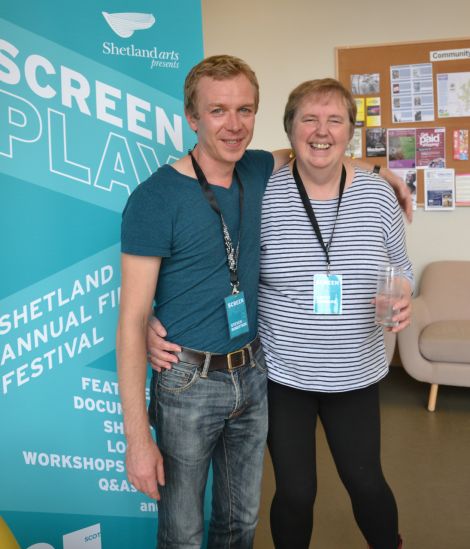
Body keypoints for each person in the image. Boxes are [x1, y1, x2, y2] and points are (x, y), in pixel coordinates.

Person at [119, 55, 411, 549]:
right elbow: (130, 319)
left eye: (244, 110)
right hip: (208, 380)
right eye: (218, 111)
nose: (233, 124)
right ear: (192, 117)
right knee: (189, 529)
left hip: (256, 373)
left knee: (241, 522)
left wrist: (380, 171)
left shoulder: (256, 171)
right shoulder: (170, 196)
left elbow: (315, 154)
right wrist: (136, 437)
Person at [259, 79, 412, 549]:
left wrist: (401, 295)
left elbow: (401, 268)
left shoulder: (378, 194)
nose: (321, 131)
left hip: (355, 372)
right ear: (289, 130)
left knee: (366, 484)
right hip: (284, 375)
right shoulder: (262, 190)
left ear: (350, 130)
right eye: (309, 118)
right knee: (296, 491)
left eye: (334, 120)